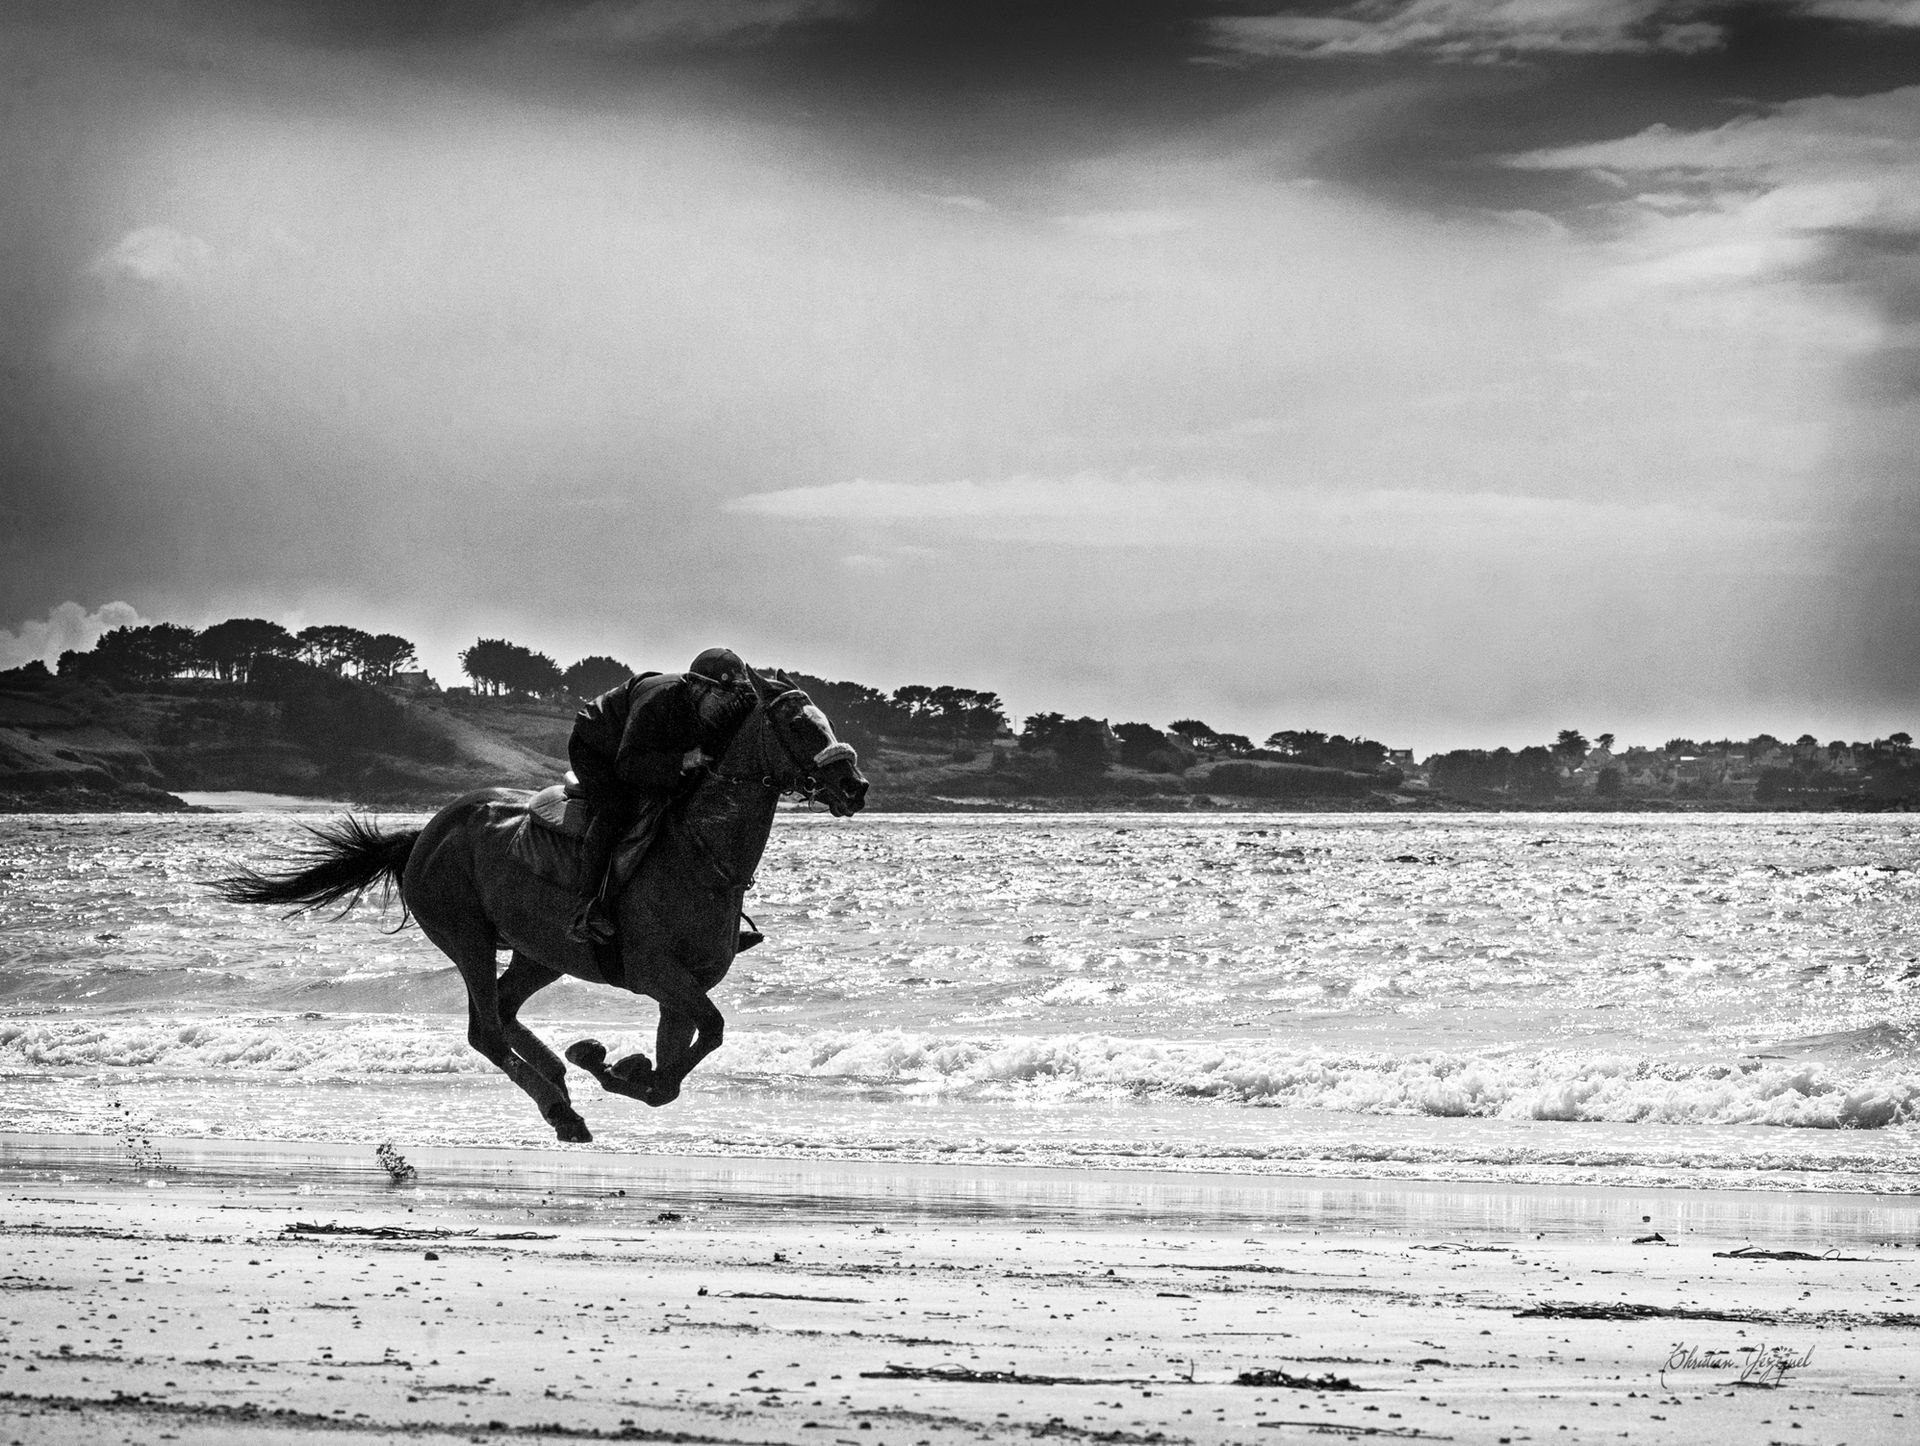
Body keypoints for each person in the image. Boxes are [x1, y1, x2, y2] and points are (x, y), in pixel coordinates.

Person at [565, 647, 758, 947]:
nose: (727, 706)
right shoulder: (658, 700)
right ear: (697, 687)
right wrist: (681, 762)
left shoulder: (713, 707)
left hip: (649, 751)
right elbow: (627, 765)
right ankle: (585, 909)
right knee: (616, 809)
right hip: (598, 746)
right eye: (723, 697)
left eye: (732, 698)